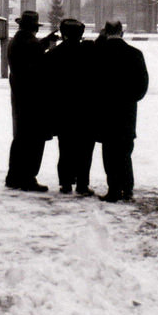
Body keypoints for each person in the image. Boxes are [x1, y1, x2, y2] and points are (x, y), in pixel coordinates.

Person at [4, 10, 59, 192]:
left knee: (20, 138)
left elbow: (33, 52)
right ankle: (28, 177)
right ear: (33, 28)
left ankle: (14, 176)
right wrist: (52, 49)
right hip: (34, 99)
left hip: (20, 97)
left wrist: (44, 42)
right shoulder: (29, 43)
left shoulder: (17, 41)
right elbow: (41, 66)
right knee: (33, 140)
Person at [94, 20, 148, 203]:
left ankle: (114, 189)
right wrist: (129, 99)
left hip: (106, 111)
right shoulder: (135, 54)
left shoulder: (99, 53)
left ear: (106, 32)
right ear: (122, 32)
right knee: (125, 151)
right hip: (127, 112)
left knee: (110, 153)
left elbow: (92, 84)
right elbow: (142, 86)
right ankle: (128, 188)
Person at [44, 18, 97, 196]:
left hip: (63, 109)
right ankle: (82, 183)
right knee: (85, 148)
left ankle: (65, 182)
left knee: (65, 147)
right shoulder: (90, 53)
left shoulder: (54, 55)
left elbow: (47, 83)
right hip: (86, 109)